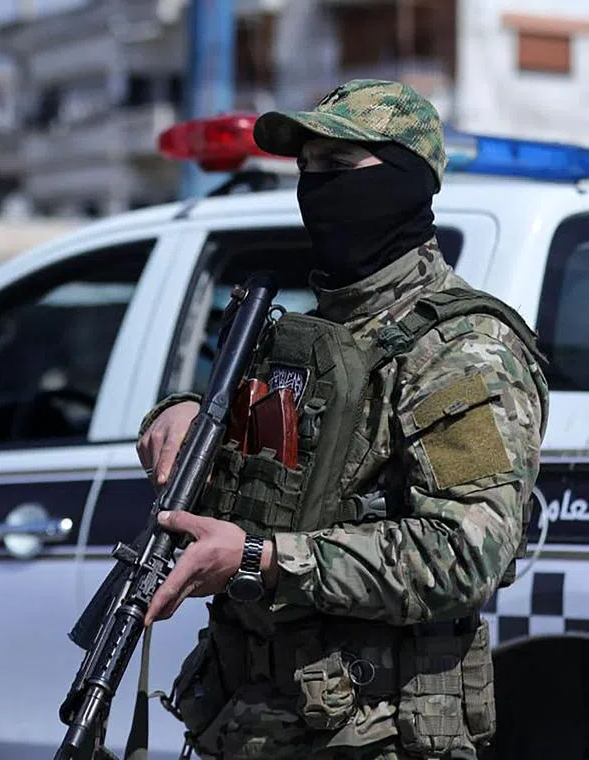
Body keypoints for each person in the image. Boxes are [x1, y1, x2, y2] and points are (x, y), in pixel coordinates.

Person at [135, 80, 549, 759]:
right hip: (254, 722)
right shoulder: (312, 336)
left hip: (375, 734)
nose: (316, 190)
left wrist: (266, 560)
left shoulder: (462, 350)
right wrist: (179, 412)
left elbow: (465, 553)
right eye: (306, 171)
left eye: (338, 169)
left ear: (407, 183)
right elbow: (269, 476)